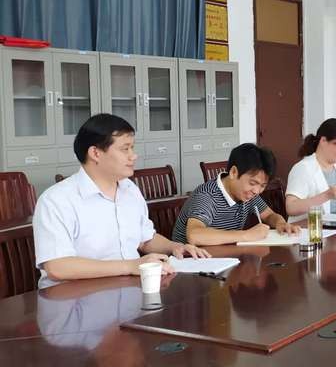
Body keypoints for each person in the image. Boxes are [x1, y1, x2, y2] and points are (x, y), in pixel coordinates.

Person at [33, 114, 209, 288]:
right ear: (95, 153)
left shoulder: (129, 190)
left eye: (132, 148)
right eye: (125, 149)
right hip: (73, 297)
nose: (133, 156)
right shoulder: (57, 200)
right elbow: (57, 267)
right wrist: (130, 266)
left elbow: (145, 239)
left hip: (127, 289)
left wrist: (174, 247)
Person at [172, 143, 300, 245]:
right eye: (252, 183)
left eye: (262, 186)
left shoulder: (248, 195)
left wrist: (280, 223)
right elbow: (194, 235)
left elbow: (269, 215)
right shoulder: (207, 195)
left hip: (224, 257)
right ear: (233, 172)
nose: (256, 191)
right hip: (191, 262)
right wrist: (246, 235)